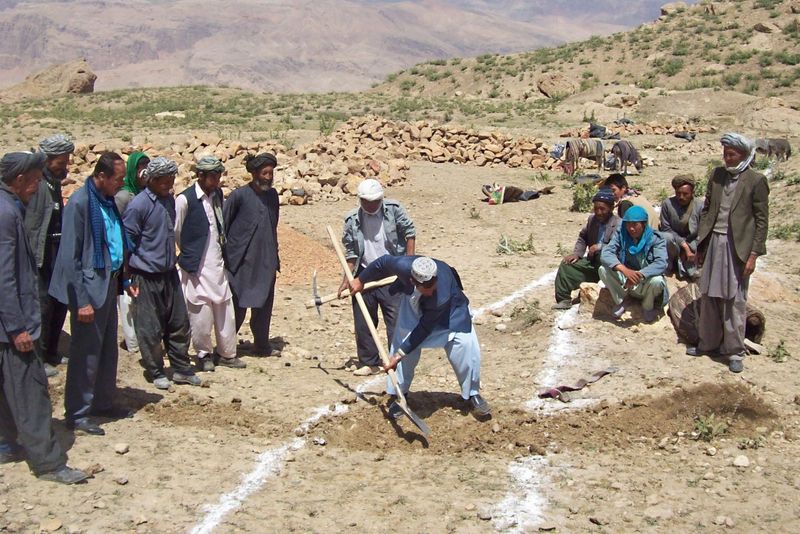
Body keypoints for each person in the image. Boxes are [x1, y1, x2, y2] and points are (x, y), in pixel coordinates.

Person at [0, 151, 87, 484]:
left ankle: (7, 444)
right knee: (31, 394)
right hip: (12, 326)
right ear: (19, 180)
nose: (38, 188)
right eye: (35, 181)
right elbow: (5, 277)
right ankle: (49, 463)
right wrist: (17, 326)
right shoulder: (7, 213)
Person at [348, 255, 491, 418]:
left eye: (432, 284)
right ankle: (398, 395)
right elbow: (382, 262)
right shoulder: (402, 266)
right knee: (402, 339)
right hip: (413, 303)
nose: (431, 290)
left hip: (451, 312)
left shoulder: (440, 296)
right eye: (426, 287)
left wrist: (399, 355)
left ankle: (473, 394)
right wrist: (360, 280)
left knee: (466, 345)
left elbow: (424, 328)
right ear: (413, 281)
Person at [49, 152, 130, 436]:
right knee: (86, 352)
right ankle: (78, 413)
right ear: (102, 176)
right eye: (118, 179)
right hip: (88, 288)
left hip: (108, 282)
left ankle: (102, 402)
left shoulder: (107, 201)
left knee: (107, 347)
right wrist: (81, 300)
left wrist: (125, 276)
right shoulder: (82, 204)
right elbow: (70, 258)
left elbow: (114, 240)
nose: (122, 183)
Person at [687, 133, 769, 373]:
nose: (726, 158)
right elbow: (708, 211)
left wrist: (753, 255)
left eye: (731, 154)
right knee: (709, 294)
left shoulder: (756, 181)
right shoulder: (717, 175)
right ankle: (707, 344)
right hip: (714, 243)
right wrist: (702, 245)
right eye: (725, 153)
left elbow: (762, 222)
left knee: (735, 300)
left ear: (743, 155)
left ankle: (734, 351)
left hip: (737, 248)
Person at [123, 157, 201, 389]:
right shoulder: (139, 205)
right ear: (152, 180)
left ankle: (181, 368)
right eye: (164, 181)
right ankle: (156, 371)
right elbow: (127, 243)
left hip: (169, 273)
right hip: (146, 276)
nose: (169, 184)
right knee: (149, 327)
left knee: (178, 323)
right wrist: (127, 277)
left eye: (171, 180)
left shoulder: (169, 201)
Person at [338, 178, 416, 375]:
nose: (371, 205)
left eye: (375, 201)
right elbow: (351, 252)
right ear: (360, 200)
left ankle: (396, 359)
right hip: (364, 274)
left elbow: (410, 232)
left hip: (392, 272)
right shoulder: (352, 220)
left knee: (396, 320)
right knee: (363, 320)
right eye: (366, 201)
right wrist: (346, 278)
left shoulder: (394, 210)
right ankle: (369, 361)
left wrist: (408, 264)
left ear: (381, 198)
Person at [175, 156, 245, 372]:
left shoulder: (217, 196)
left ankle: (227, 353)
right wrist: (190, 254)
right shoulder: (184, 200)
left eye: (218, 176)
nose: (216, 181)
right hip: (197, 267)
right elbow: (177, 232)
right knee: (200, 315)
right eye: (212, 176)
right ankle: (203, 354)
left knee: (225, 311)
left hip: (217, 263)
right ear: (200, 175)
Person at [23, 134, 74, 377]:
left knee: (58, 301)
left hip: (56, 251)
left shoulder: (53, 183)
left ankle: (53, 351)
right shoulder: (37, 184)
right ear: (47, 159)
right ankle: (40, 356)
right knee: (42, 305)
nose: (66, 166)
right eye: (62, 161)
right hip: (40, 254)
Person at [224, 153, 281, 356]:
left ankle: (262, 344)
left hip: (265, 259)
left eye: (271, 173)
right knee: (237, 303)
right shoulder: (238, 196)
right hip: (241, 260)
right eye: (264, 173)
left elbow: (273, 226)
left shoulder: (273, 196)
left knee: (264, 304)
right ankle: (226, 348)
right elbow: (225, 224)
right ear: (254, 173)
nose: (268, 177)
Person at [553, 188, 621, 309]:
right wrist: (577, 254)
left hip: (610, 267)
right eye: (596, 209)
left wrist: (600, 247)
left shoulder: (619, 224)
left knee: (602, 254)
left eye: (602, 209)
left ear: (611, 208)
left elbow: (618, 246)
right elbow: (583, 237)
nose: (599, 212)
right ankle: (564, 300)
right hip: (593, 262)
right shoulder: (592, 220)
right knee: (567, 265)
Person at [599, 205, 668, 323]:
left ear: (644, 224)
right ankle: (623, 299)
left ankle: (647, 306)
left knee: (658, 281)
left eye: (635, 225)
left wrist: (639, 274)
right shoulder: (622, 234)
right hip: (626, 281)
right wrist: (624, 270)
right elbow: (606, 253)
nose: (631, 229)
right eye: (628, 224)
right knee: (603, 269)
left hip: (646, 281)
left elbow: (661, 263)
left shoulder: (656, 239)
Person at [114, 151, 150, 354]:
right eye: (140, 166)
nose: (144, 171)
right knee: (126, 299)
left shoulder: (145, 193)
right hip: (126, 253)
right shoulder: (124, 195)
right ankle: (133, 342)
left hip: (141, 253)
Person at [660, 174, 703, 280]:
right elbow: (666, 228)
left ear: (692, 193)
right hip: (674, 243)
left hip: (693, 242)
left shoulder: (700, 206)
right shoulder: (667, 204)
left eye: (685, 194)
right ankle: (668, 266)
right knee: (665, 237)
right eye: (678, 193)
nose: (681, 197)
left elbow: (703, 230)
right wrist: (684, 246)